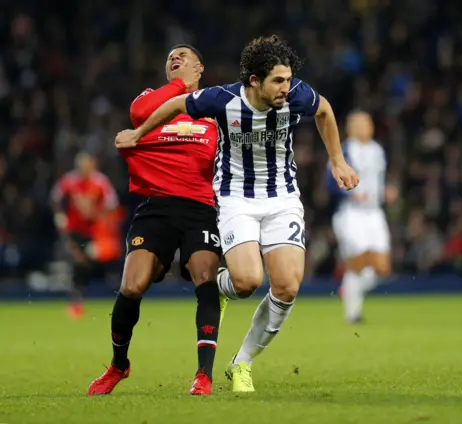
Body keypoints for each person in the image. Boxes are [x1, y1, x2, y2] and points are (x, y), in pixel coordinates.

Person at [114, 35, 359, 393]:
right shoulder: (223, 99)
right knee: (246, 282)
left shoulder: (297, 95)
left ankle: (241, 362)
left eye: (288, 79)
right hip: (236, 199)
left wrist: (337, 160)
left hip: (282, 198)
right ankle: (222, 288)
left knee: (288, 286)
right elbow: (177, 104)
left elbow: (324, 111)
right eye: (277, 80)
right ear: (254, 81)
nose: (285, 88)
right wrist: (139, 134)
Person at [88, 44, 225, 397]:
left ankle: (203, 376)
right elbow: (139, 113)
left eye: (184, 56)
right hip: (157, 208)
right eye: (169, 57)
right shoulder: (152, 100)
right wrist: (179, 85)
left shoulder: (214, 106)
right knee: (132, 286)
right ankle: (119, 365)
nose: (174, 58)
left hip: (200, 208)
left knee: (205, 277)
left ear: (201, 68)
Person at [326, 110, 393, 323]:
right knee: (359, 262)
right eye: (362, 123)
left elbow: (377, 180)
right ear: (351, 127)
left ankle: (348, 289)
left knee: (382, 267)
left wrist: (386, 192)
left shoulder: (377, 150)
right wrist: (351, 192)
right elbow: (329, 183)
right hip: (351, 213)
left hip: (374, 212)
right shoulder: (343, 149)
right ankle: (353, 314)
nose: (367, 127)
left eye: (369, 123)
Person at [51, 152, 119, 319]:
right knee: (79, 261)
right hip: (74, 231)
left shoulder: (100, 182)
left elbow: (112, 204)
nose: (84, 169)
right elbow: (54, 198)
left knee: (93, 261)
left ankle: (111, 295)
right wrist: (59, 215)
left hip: (95, 231)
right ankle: (76, 301)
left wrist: (99, 214)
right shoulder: (69, 180)